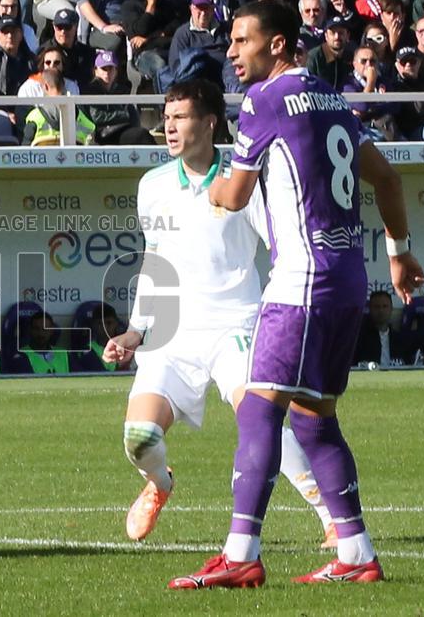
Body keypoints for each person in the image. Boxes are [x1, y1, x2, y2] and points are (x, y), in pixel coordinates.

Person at [169, 0, 424, 589]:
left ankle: (240, 554)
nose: (231, 52)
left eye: (241, 40)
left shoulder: (263, 100)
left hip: (301, 278)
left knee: (260, 408)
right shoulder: (334, 99)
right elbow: (386, 176)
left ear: (278, 45)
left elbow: (233, 196)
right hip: (347, 278)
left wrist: (211, 193)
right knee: (314, 420)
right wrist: (399, 251)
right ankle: (356, 552)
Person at [104, 79, 335, 546]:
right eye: (166, 118)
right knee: (140, 436)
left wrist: (284, 314)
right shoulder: (153, 187)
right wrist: (134, 330)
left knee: (261, 418)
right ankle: (159, 483)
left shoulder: (242, 180)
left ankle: (331, 515)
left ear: (209, 122)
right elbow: (156, 260)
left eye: (181, 117)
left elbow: (283, 249)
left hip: (237, 325)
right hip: (172, 333)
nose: (170, 127)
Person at [22, 67, 94, 145]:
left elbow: (24, 151)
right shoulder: (82, 119)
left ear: (46, 86)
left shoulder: (34, 118)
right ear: (64, 85)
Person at [352, 290, 408, 366]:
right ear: (370, 309)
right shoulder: (359, 338)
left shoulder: (401, 339)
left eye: (385, 306)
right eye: (376, 307)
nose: (381, 311)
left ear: (391, 309)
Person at [5, 312, 71, 374]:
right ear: (30, 330)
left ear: (51, 331)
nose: (41, 333)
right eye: (36, 329)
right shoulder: (21, 355)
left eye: (45, 329)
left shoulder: (64, 354)